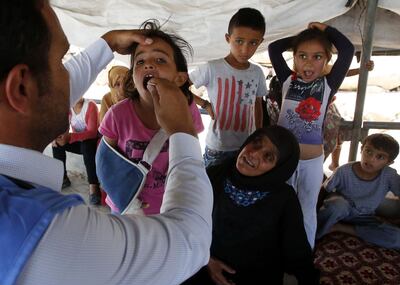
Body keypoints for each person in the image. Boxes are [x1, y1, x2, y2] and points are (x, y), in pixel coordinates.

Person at [0, 1, 212, 285]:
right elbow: (191, 239)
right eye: (62, 61)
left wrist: (107, 43)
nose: (70, 77)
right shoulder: (49, 236)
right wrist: (182, 133)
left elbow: (44, 92)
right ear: (21, 87)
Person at [175, 126, 322, 285]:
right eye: (256, 143)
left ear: (278, 168)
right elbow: (184, 224)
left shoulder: (283, 199)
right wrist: (206, 260)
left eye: (268, 156)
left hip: (254, 281)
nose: (254, 153)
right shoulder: (215, 176)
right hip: (202, 267)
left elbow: (297, 252)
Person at [99, 20, 204, 215]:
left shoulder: (187, 110)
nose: (148, 65)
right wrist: (124, 199)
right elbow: (105, 161)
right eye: (140, 61)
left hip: (168, 209)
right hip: (126, 208)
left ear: (180, 78)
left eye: (160, 60)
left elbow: (192, 156)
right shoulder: (117, 114)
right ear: (133, 76)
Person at [268, 22, 354, 248]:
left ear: (326, 61)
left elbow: (347, 50)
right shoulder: (287, 80)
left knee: (307, 209)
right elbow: (274, 49)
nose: (308, 62)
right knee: (278, 206)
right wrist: (300, 36)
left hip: (311, 161)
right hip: (283, 158)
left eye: (317, 57)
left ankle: (304, 257)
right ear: (294, 58)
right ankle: (277, 251)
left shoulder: (328, 84)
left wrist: (325, 30)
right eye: (302, 55)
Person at [190, 8, 267, 167]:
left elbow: (258, 104)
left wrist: (257, 135)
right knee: (212, 187)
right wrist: (204, 104)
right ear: (228, 38)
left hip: (245, 146)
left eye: (253, 43)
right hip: (217, 146)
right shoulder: (212, 68)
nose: (245, 50)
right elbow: (180, 86)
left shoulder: (257, 72)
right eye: (239, 41)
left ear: (260, 41)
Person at [317, 133, 400, 249]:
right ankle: (316, 235)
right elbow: (324, 190)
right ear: (361, 150)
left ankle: (339, 227)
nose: (371, 159)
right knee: (337, 205)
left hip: (365, 217)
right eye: (369, 151)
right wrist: (314, 214)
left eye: (380, 157)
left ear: (389, 162)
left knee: (397, 238)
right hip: (341, 211)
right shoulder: (343, 171)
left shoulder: (389, 175)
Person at [324, 60, 375, 170]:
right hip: (311, 107)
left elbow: (342, 72)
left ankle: (334, 164)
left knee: (337, 133)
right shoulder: (303, 70)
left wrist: (361, 69)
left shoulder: (324, 68)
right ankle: (323, 164)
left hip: (327, 106)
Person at [52, 96, 101, 205]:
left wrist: (70, 137)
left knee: (86, 145)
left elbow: (92, 133)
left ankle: (94, 185)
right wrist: (57, 138)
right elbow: (62, 128)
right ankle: (63, 177)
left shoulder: (90, 106)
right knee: (57, 144)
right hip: (78, 142)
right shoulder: (68, 109)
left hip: (92, 143)